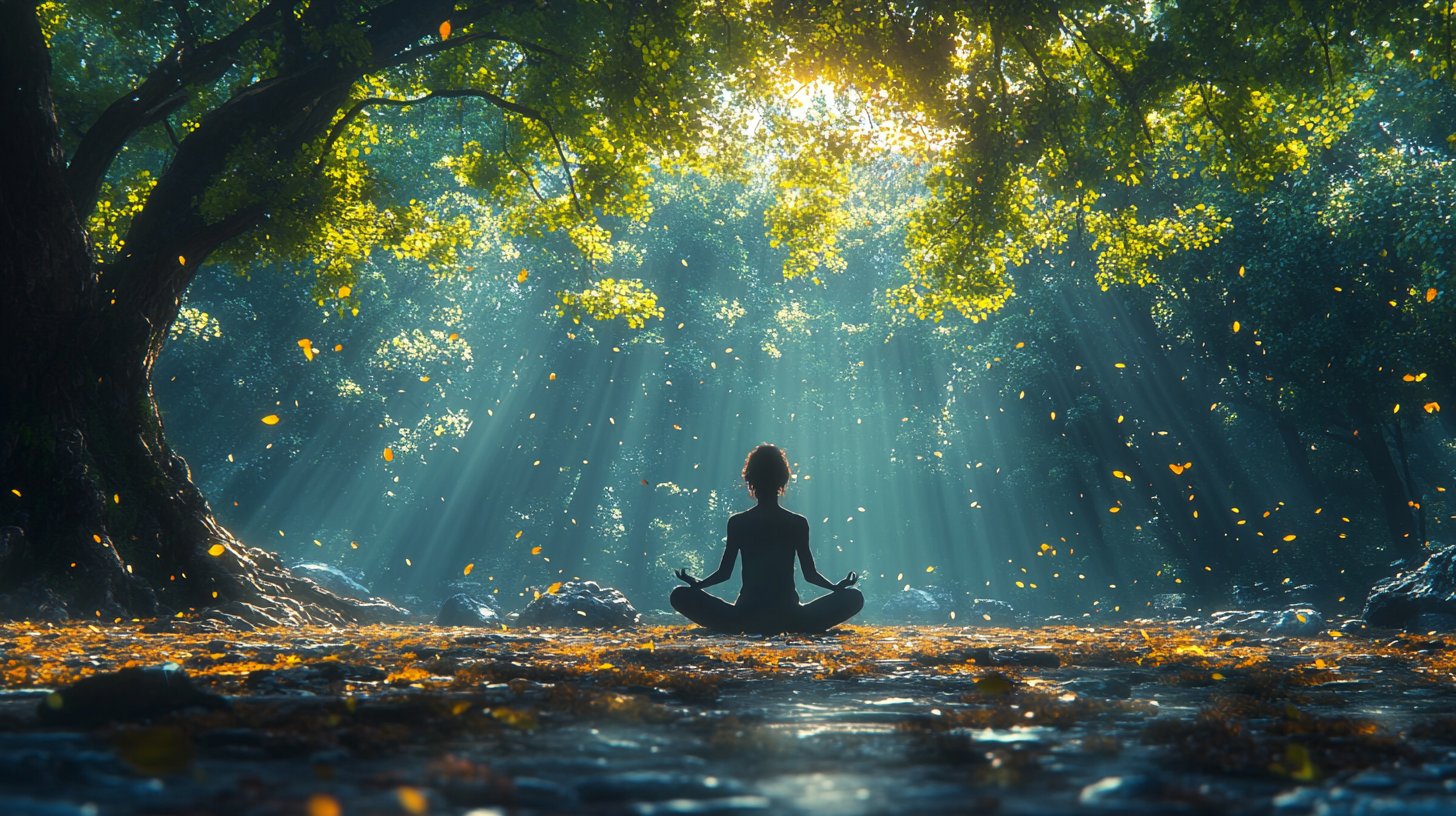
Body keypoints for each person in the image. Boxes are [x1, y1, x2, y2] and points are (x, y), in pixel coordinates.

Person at [670, 444, 863, 634]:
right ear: (783, 481)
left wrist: (698, 584)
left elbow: (724, 573)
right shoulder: (796, 523)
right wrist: (835, 587)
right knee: (854, 597)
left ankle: (735, 625)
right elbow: (810, 575)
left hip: (745, 615)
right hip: (790, 615)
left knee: (679, 595)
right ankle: (795, 625)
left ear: (750, 481)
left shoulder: (738, 522)